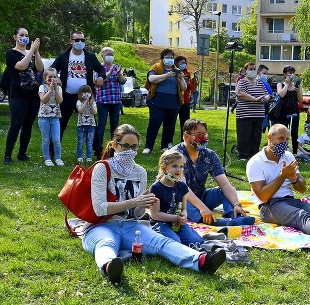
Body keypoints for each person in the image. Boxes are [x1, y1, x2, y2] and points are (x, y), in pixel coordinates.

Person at [82, 124, 226, 284]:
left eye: (134, 147)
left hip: (130, 225)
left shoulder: (140, 172)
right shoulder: (102, 168)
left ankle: (201, 261)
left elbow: (136, 214)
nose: (130, 151)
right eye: (125, 146)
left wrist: (144, 204)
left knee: (162, 242)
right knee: (106, 243)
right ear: (115, 145)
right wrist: (135, 201)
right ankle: (110, 267)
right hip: (100, 225)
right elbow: (100, 208)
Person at [173, 119, 255, 226]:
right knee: (180, 199)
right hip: (178, 197)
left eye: (205, 134)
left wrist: (236, 204)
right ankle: (212, 221)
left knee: (225, 191)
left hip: (200, 195)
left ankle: (235, 215)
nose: (203, 138)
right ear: (186, 136)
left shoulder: (209, 155)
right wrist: (202, 208)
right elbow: (183, 188)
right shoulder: (175, 155)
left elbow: (224, 183)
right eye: (198, 134)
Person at [50, 31, 105, 145]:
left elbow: (101, 69)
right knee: (61, 122)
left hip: (85, 96)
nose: (80, 42)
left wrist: (101, 77)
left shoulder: (90, 56)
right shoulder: (63, 56)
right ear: (71, 41)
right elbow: (52, 69)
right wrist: (56, 78)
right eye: (77, 40)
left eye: (82, 40)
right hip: (67, 95)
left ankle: (98, 150)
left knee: (92, 123)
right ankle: (53, 149)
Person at [4, 27, 43, 164]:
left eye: (26, 35)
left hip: (33, 95)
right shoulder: (11, 53)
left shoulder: (31, 53)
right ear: (15, 37)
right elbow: (21, 66)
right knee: (16, 124)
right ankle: (8, 155)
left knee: (28, 125)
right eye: (22, 35)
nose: (24, 37)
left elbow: (39, 68)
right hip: (18, 94)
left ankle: (22, 153)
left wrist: (36, 52)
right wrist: (31, 50)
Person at [149, 150, 204, 246]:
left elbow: (184, 209)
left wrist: (183, 216)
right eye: (174, 166)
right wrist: (175, 218)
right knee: (174, 244)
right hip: (161, 223)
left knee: (196, 242)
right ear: (164, 168)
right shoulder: (156, 188)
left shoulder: (182, 186)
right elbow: (155, 215)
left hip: (177, 223)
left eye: (181, 166)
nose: (178, 169)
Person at [142, 48, 187, 155]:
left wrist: (181, 78)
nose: (170, 60)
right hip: (157, 101)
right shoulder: (156, 67)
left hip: (173, 102)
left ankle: (165, 146)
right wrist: (166, 75)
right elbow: (151, 79)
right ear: (162, 59)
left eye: (172, 58)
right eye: (167, 58)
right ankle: (148, 146)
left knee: (170, 125)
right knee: (155, 123)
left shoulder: (177, 70)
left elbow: (184, 87)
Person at [235, 62, 270, 160]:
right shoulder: (242, 82)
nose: (253, 71)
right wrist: (255, 99)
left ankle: (253, 154)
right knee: (244, 135)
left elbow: (266, 94)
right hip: (245, 114)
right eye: (250, 69)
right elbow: (241, 94)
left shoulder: (260, 82)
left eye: (254, 69)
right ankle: (243, 155)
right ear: (245, 71)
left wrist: (265, 98)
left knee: (256, 136)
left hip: (258, 114)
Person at [94, 47, 126, 156]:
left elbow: (122, 82)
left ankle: (113, 149)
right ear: (102, 55)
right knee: (101, 125)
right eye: (108, 54)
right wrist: (110, 72)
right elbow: (99, 82)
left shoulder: (116, 67)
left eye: (112, 54)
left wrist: (119, 73)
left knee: (115, 126)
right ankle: (98, 150)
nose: (110, 56)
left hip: (115, 101)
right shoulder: (99, 68)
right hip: (103, 101)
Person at [38, 67, 64, 166]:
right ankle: (47, 158)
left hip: (55, 117)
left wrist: (56, 89)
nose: (52, 79)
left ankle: (58, 158)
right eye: (50, 77)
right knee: (46, 139)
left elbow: (60, 100)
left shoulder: (59, 88)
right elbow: (43, 100)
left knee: (56, 139)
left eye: (55, 77)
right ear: (45, 78)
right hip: (44, 117)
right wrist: (50, 90)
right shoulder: (42, 87)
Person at [277, 65, 303, 154]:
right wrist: (287, 84)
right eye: (289, 72)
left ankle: (295, 152)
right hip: (283, 112)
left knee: (294, 132)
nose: (291, 74)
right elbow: (281, 95)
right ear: (285, 74)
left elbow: (300, 100)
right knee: (282, 131)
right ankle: (282, 150)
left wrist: (298, 91)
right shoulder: (280, 84)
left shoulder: (297, 85)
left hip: (294, 111)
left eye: (293, 72)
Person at [175, 56, 196, 141]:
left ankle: (184, 140)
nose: (183, 64)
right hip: (175, 100)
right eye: (181, 63)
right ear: (176, 63)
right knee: (171, 121)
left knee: (185, 122)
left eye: (184, 63)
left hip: (185, 101)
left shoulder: (187, 73)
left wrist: (187, 82)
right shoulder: (174, 72)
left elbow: (191, 87)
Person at [76, 85, 97, 163]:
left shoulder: (93, 102)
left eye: (88, 92)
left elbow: (94, 112)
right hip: (81, 125)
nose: (86, 94)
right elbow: (80, 110)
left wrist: (91, 104)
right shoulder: (79, 102)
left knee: (89, 141)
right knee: (80, 141)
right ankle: (80, 156)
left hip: (91, 125)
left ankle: (89, 157)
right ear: (81, 94)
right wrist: (85, 102)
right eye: (84, 92)